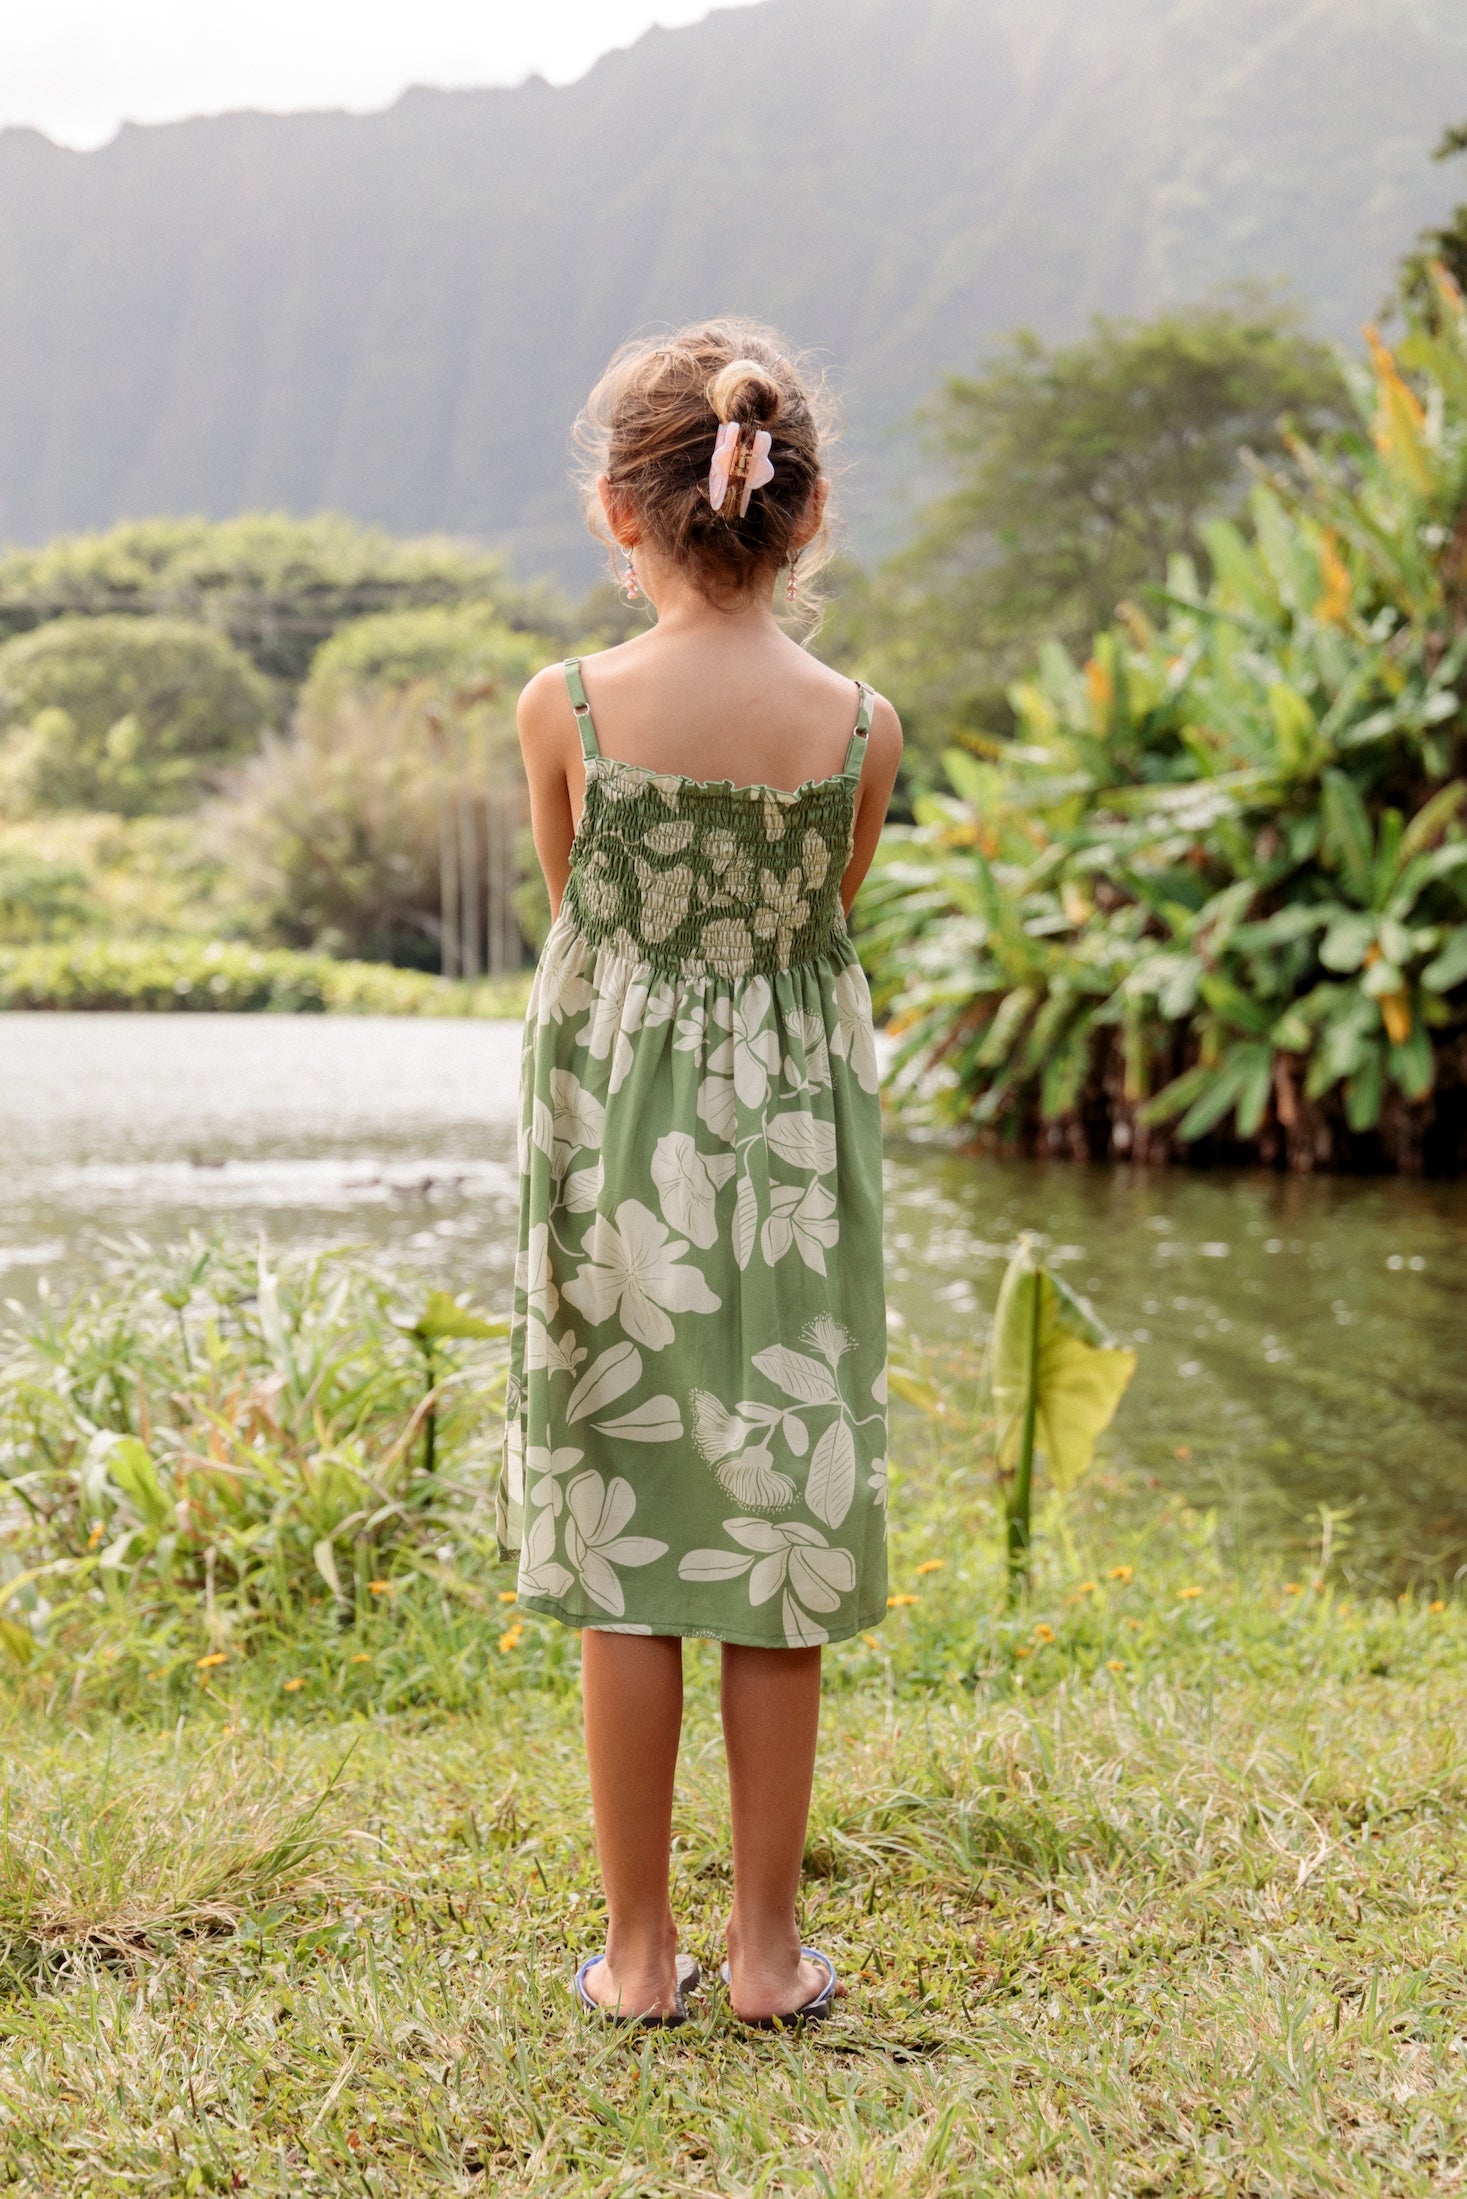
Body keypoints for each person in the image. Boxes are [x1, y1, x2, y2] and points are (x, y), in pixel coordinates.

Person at [497, 319, 901, 2028]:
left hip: (614, 1143)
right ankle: (767, 1955)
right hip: (794, 1148)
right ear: (801, 519)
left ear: (618, 508)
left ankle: (641, 1954)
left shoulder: (566, 706)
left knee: (623, 1534)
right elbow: (830, 922)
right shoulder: (864, 729)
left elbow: (576, 897)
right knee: (777, 1532)